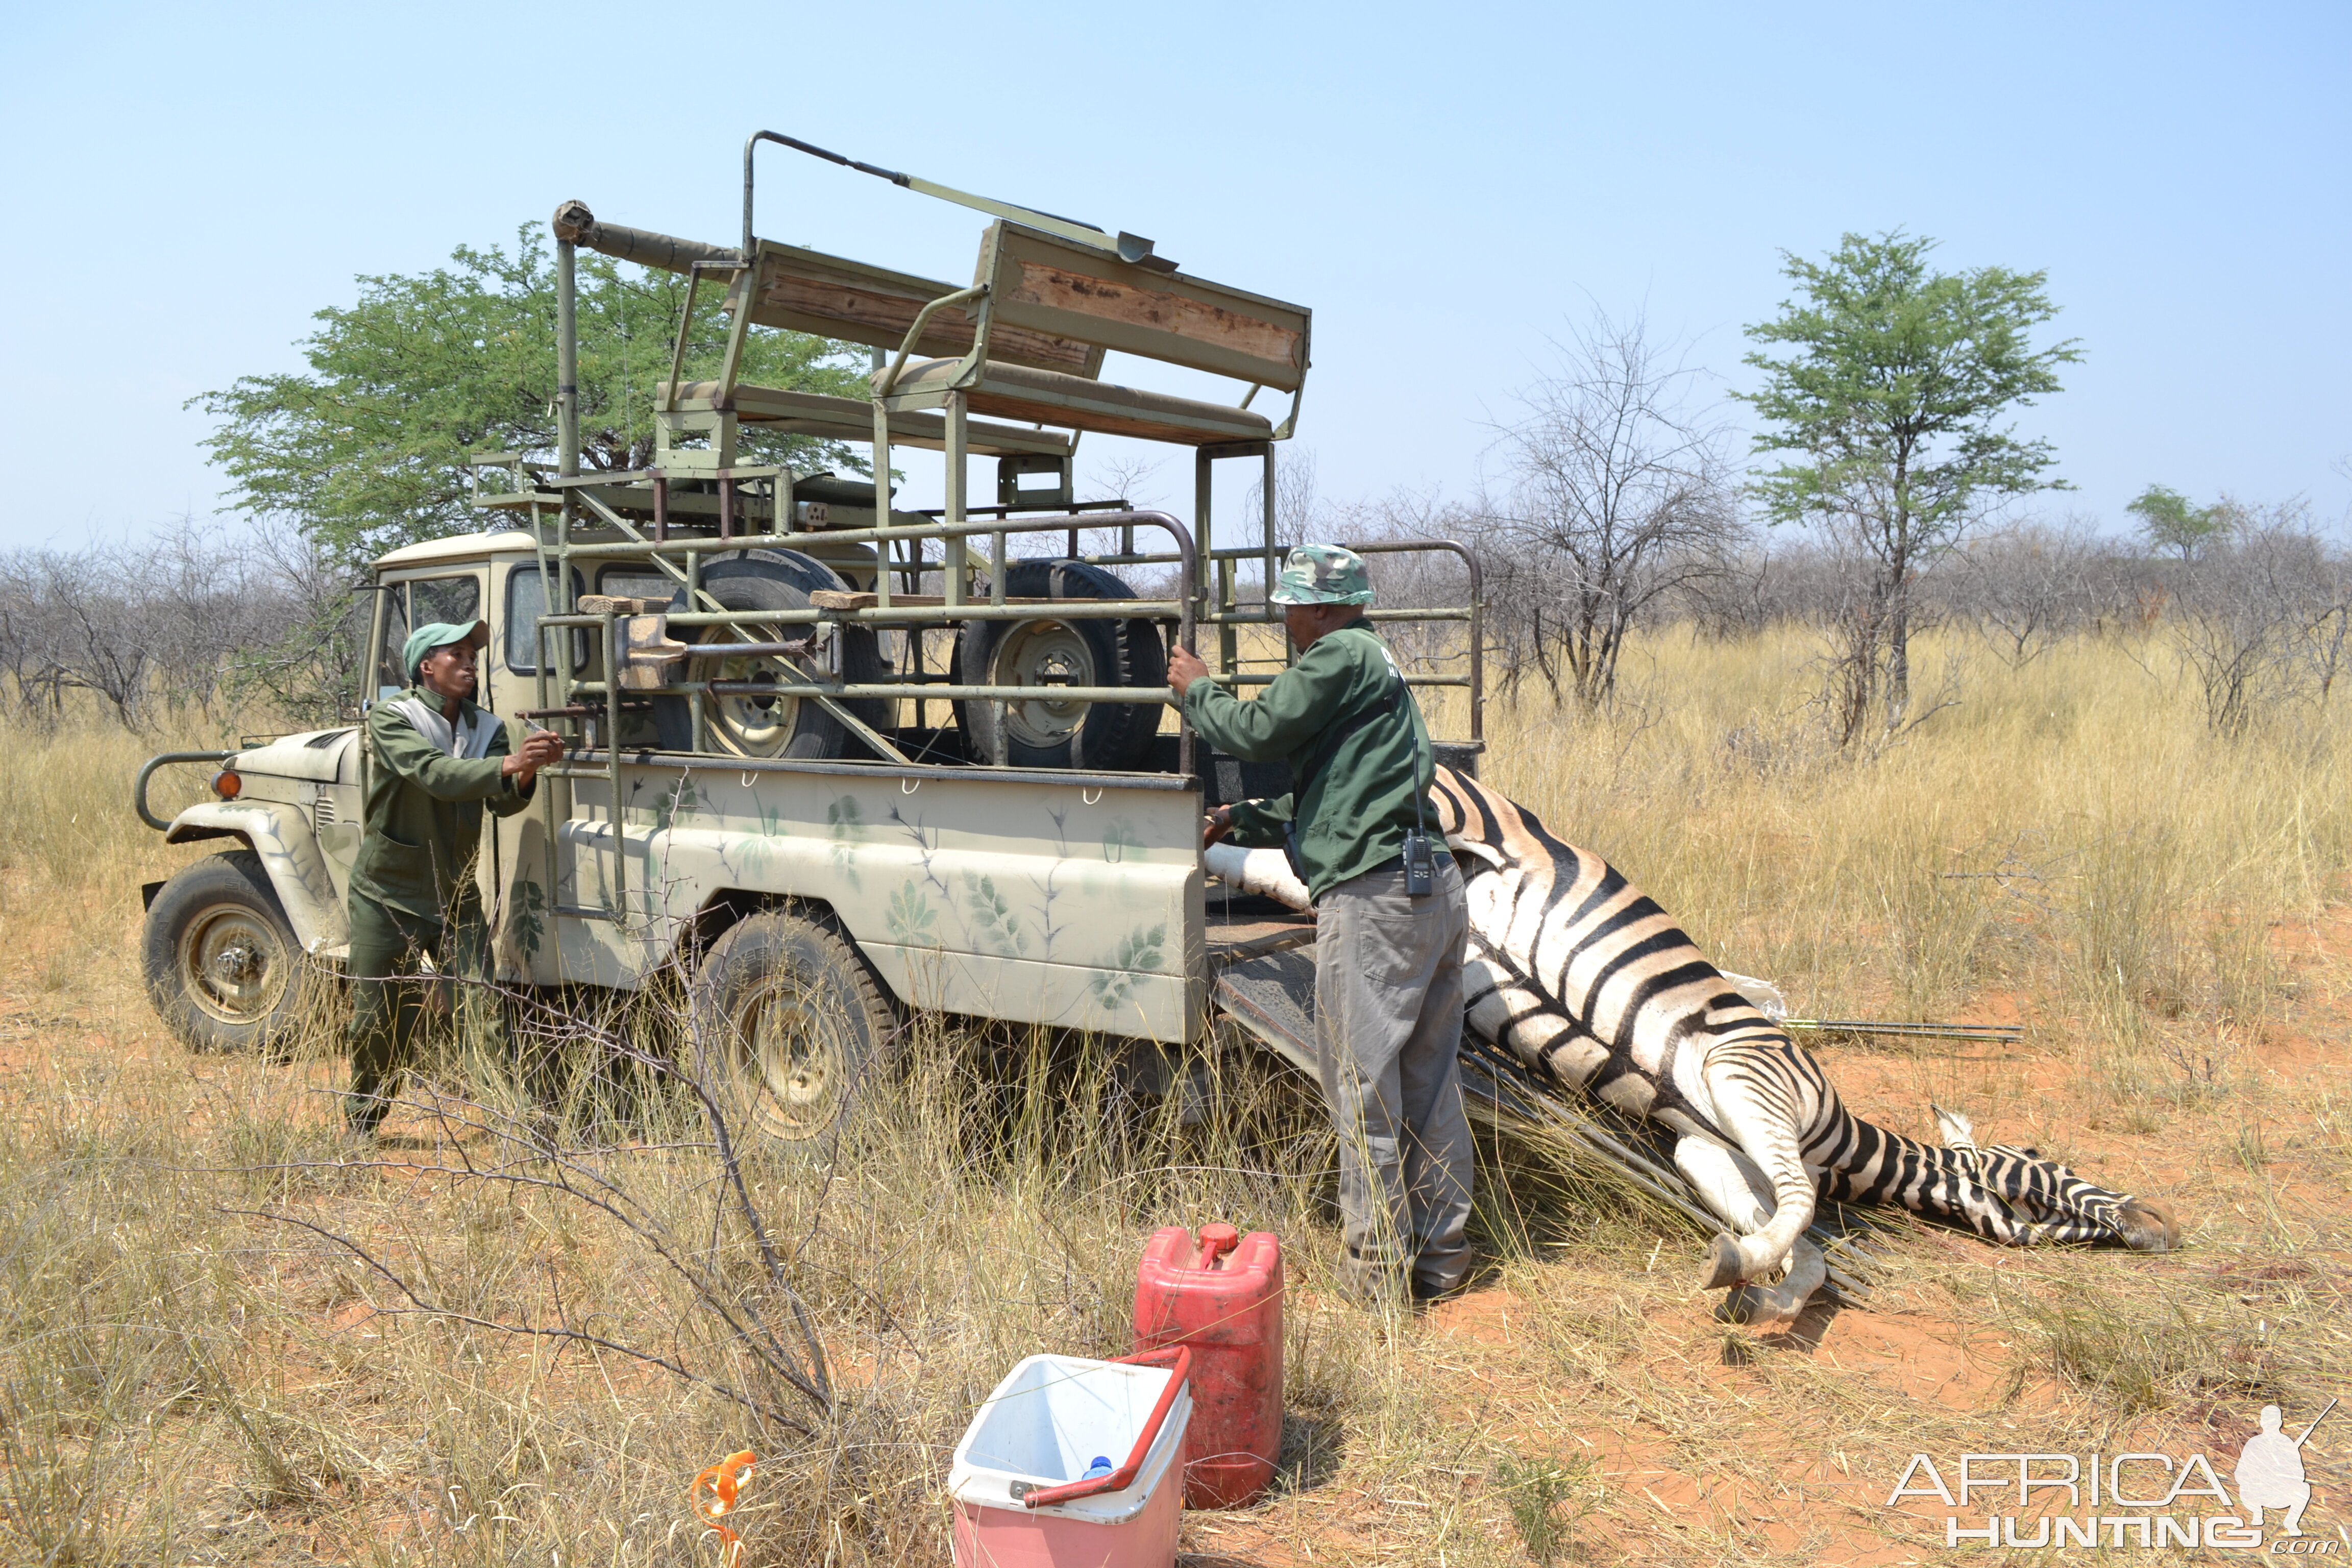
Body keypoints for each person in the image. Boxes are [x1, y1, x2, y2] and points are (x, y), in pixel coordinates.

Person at [1168, 544, 1474, 1305]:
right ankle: (1443, 1262)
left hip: (1373, 903)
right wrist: (1243, 815)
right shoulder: (1375, 660)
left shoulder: (1338, 654)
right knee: (1431, 1089)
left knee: (1363, 1092)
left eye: (1292, 606)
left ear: (1324, 607)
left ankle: (1376, 1286)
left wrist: (1198, 693)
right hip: (1429, 886)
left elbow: (1257, 731)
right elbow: (1340, 790)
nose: (1285, 619)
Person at [346, 620, 564, 1137]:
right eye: (457, 654)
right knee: (379, 1019)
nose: (470, 663)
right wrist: (512, 762)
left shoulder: (486, 727)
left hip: (456, 893)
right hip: (387, 892)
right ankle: (362, 1124)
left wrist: (526, 769)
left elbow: (500, 802)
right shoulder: (392, 717)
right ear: (427, 666)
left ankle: (509, 1123)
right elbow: (434, 775)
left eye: (473, 655)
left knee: (482, 1009)